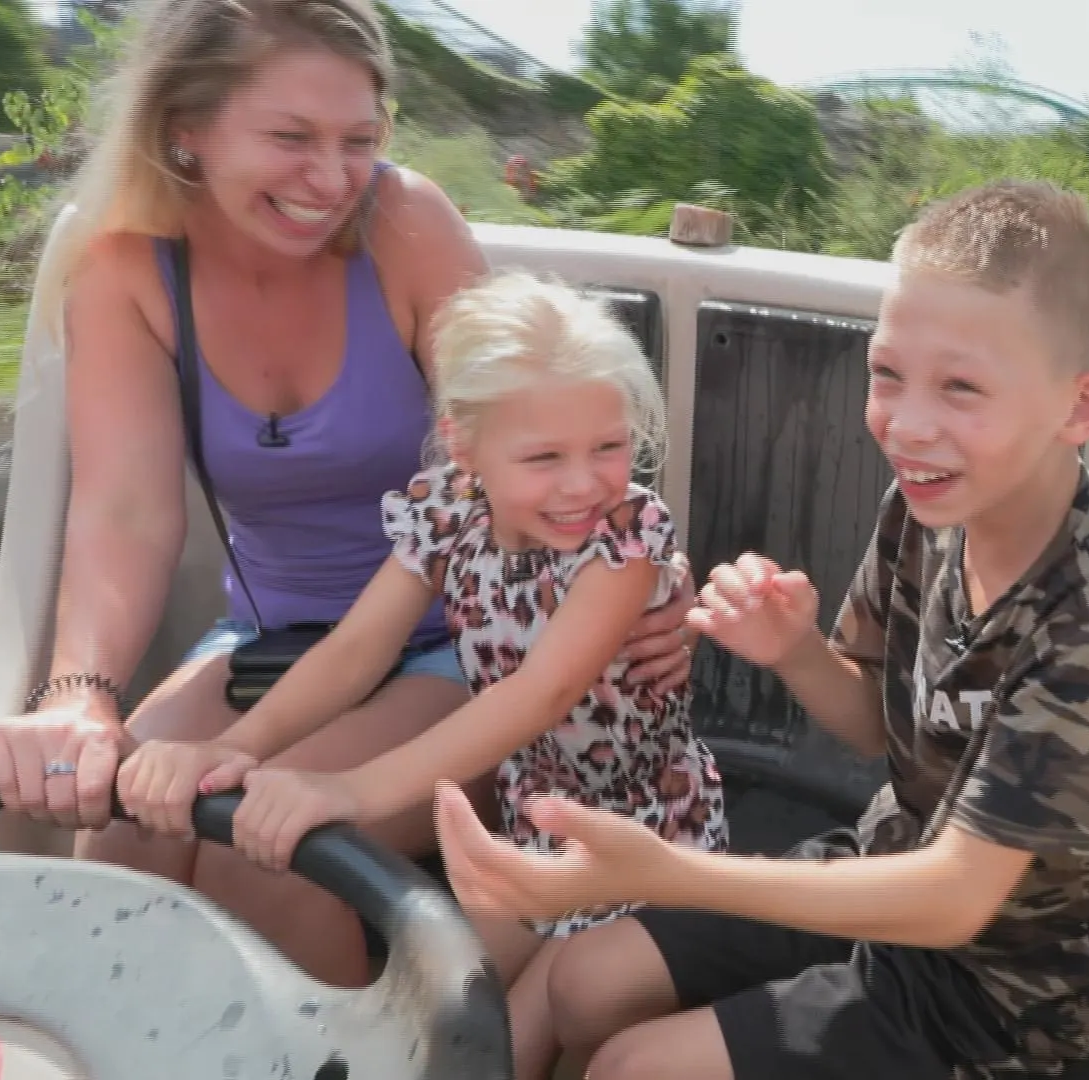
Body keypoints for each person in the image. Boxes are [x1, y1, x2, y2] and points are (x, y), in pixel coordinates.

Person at [0, 0, 697, 989]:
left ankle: (346, 1048)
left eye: (358, 141)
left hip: (462, 640)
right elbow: (125, 514)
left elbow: (538, 442)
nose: (330, 180)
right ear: (185, 129)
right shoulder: (126, 273)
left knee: (265, 850)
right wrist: (80, 696)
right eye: (291, 139)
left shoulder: (406, 226)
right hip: (275, 639)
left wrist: (651, 583)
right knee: (123, 829)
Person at [431, 179, 1089, 1080]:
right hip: (883, 864)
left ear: (1082, 408)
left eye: (961, 388)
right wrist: (793, 652)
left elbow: (956, 900)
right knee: (584, 983)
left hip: (1005, 995)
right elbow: (874, 726)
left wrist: (660, 873)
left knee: (634, 1067)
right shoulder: (926, 511)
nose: (907, 425)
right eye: (887, 373)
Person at [119, 268, 727, 1076]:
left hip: (640, 835)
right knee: (429, 1024)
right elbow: (356, 650)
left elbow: (540, 692)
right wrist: (236, 746)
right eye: (544, 456)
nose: (584, 482)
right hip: (531, 825)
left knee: (502, 1045)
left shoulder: (626, 534)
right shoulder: (449, 510)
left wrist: (352, 790)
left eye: (608, 447)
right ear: (465, 447)